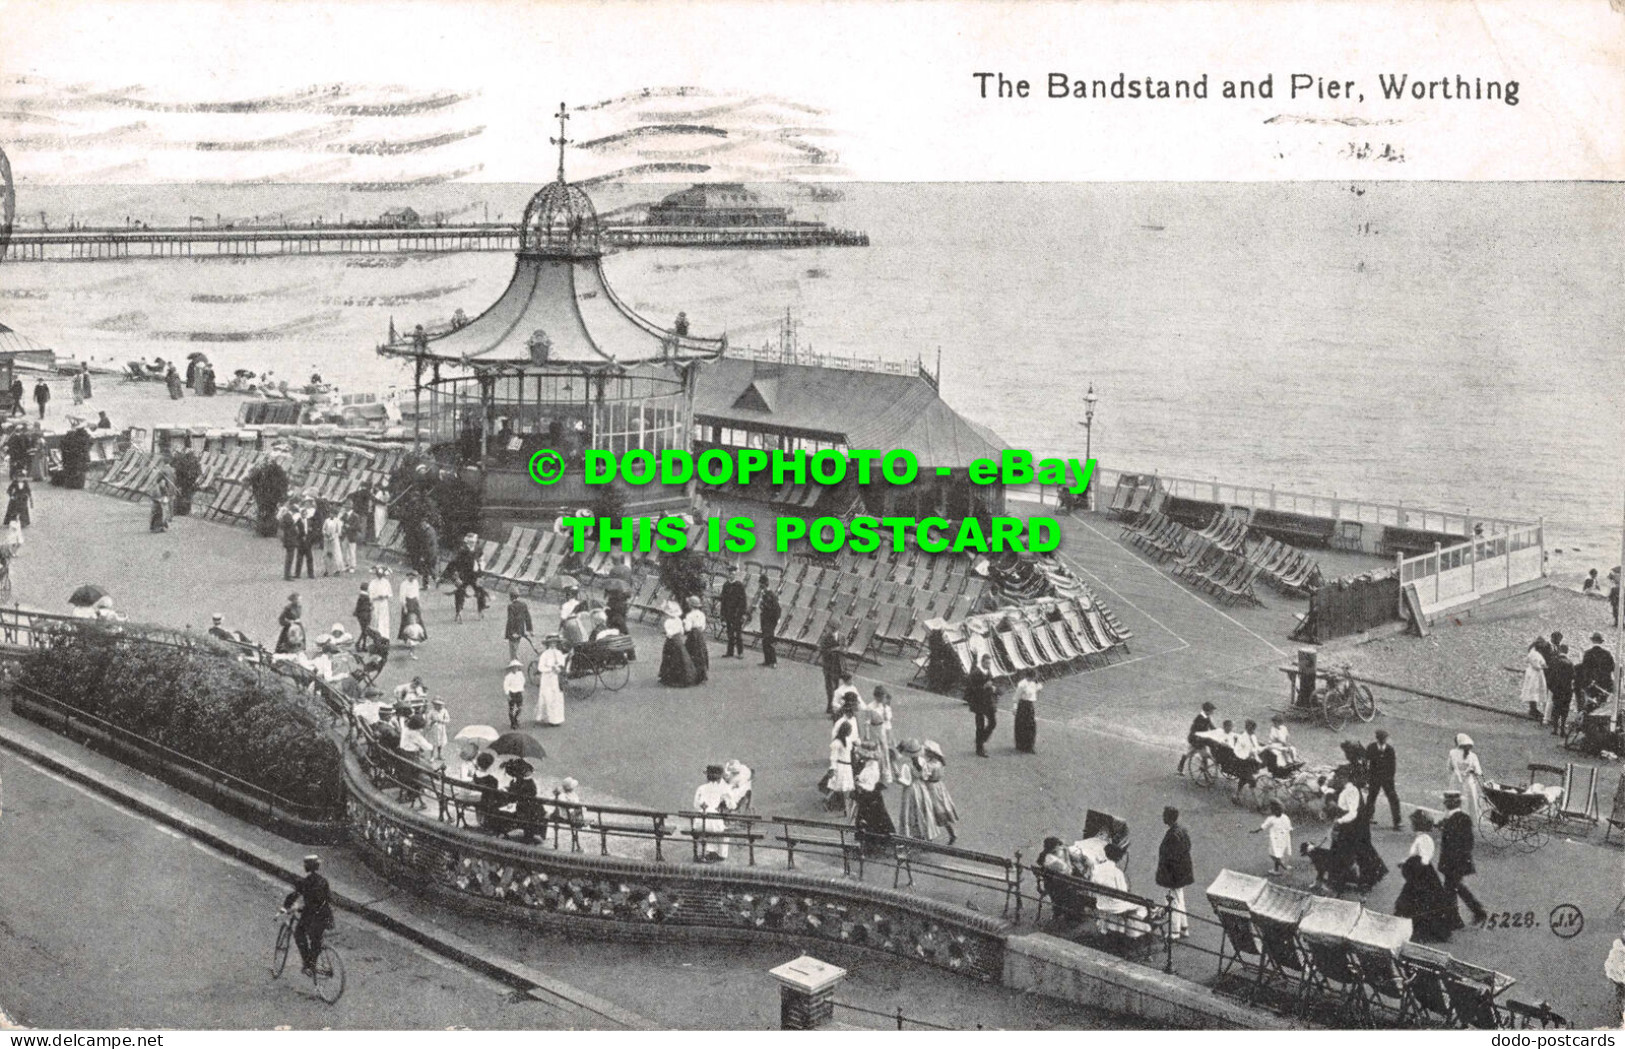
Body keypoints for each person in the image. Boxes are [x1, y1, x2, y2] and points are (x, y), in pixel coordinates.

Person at [1394, 811, 1457, 942]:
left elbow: (1424, 859)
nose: (1411, 825)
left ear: (1418, 824)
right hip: (1422, 874)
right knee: (1417, 902)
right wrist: (1406, 862)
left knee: (1415, 901)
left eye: (1413, 823)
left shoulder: (1424, 839)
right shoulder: (1422, 838)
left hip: (1421, 875)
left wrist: (1411, 866)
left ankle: (1414, 930)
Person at [280, 855, 335, 977]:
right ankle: (312, 964)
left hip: (312, 915)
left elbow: (294, 896)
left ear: (307, 867)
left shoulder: (305, 882)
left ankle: (308, 964)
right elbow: (329, 899)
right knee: (316, 940)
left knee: (299, 933)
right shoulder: (324, 881)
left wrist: (285, 908)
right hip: (325, 916)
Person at [1439, 790, 1488, 927]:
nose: (1444, 803)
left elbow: (1463, 843)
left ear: (1451, 803)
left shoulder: (1455, 820)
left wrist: (1455, 860)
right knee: (1455, 887)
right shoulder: (1461, 818)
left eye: (1446, 801)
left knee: (1451, 888)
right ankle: (1469, 914)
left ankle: (1462, 917)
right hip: (1457, 862)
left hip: (1454, 862)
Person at [1156, 806, 1194, 939]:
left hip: (1174, 875)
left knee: (1173, 901)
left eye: (1164, 815)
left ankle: (1175, 931)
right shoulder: (1181, 830)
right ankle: (1184, 928)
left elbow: (1171, 857)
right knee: (1179, 899)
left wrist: (1167, 875)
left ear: (1168, 817)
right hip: (1182, 873)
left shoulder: (1172, 835)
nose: (1162, 817)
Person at [894, 739, 939, 840]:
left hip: (910, 790)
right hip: (921, 787)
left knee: (910, 811)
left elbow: (906, 781)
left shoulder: (906, 765)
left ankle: (911, 835)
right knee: (924, 809)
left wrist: (897, 777)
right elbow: (926, 776)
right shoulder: (922, 761)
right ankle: (927, 834)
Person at [441, 534, 488, 622]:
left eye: (473, 542)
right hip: (464, 574)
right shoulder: (461, 551)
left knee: (480, 591)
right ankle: (459, 611)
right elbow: (453, 564)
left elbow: (481, 561)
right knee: (460, 592)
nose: (471, 544)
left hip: (475, 574)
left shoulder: (478, 550)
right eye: (469, 542)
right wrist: (456, 577)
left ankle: (480, 610)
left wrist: (481, 574)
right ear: (466, 542)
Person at [919, 740, 957, 845]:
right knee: (942, 810)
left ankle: (929, 837)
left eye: (927, 751)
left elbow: (924, 776)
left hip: (930, 788)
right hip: (939, 786)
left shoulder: (930, 765)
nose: (925, 753)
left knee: (929, 810)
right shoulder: (939, 763)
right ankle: (952, 833)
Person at [1364, 729, 1402, 831]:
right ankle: (1367, 818)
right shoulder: (1371, 748)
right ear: (1379, 739)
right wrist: (1367, 776)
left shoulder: (1390, 749)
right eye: (1383, 738)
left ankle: (1397, 822)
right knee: (1371, 798)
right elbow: (1366, 762)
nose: (1384, 740)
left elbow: (1392, 766)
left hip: (1386, 779)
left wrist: (1390, 778)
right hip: (1374, 778)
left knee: (1393, 799)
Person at [693, 764, 732, 862]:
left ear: (707, 777)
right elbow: (731, 805)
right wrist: (723, 804)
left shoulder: (701, 788)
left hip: (700, 821)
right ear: (720, 777)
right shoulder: (724, 789)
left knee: (708, 825)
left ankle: (708, 852)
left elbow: (696, 805)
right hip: (713, 822)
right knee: (723, 829)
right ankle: (721, 854)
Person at [1447, 733, 1484, 820]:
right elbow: (1479, 772)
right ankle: (1473, 820)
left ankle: (1451, 818)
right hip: (1467, 783)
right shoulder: (1473, 756)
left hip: (1457, 782)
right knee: (1471, 802)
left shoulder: (1452, 753)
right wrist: (1471, 771)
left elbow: (1449, 767)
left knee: (1454, 801)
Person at [658, 601, 696, 687]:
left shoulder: (667, 622)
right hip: (678, 640)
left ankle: (669, 677)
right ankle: (684, 676)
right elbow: (682, 631)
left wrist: (669, 633)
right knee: (681, 657)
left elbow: (669, 633)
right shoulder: (679, 620)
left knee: (670, 657)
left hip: (671, 641)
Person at [967, 654, 998, 757]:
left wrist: (993, 688)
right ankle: (979, 748)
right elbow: (971, 689)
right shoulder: (976, 673)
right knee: (980, 725)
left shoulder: (989, 672)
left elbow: (993, 683)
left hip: (988, 701)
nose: (989, 665)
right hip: (979, 702)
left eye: (989, 663)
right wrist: (983, 687)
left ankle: (980, 740)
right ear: (982, 662)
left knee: (993, 722)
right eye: (987, 663)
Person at [1578, 633, 1617, 711]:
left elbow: (1584, 670)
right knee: (1603, 705)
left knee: (1590, 704)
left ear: (1592, 641)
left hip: (1591, 684)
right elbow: (1613, 668)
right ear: (1601, 642)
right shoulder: (1607, 654)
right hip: (1605, 684)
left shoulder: (1587, 654)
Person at [1176, 702, 1218, 776]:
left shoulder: (1206, 717)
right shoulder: (1200, 718)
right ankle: (1205, 771)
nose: (1213, 711)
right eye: (1212, 710)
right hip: (1196, 739)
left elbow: (1212, 727)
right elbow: (1196, 730)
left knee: (1191, 752)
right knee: (1201, 754)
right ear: (1207, 710)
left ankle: (1181, 765)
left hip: (1201, 738)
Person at [1253, 800, 1293, 875]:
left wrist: (1289, 838)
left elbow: (1290, 828)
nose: (1278, 812)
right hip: (1278, 839)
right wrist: (1256, 831)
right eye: (1276, 811)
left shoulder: (1283, 818)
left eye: (1279, 810)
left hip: (1280, 839)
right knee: (1277, 854)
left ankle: (1281, 868)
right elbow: (1264, 826)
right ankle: (1280, 868)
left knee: (1275, 854)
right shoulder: (1274, 818)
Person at [867, 685, 896, 782]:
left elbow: (887, 719)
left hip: (882, 730)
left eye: (884, 697)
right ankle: (875, 774)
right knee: (876, 751)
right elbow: (867, 722)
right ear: (876, 696)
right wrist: (867, 736)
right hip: (873, 730)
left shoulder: (885, 707)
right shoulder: (870, 707)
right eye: (881, 697)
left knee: (885, 751)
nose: (883, 699)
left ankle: (886, 774)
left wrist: (885, 710)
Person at [719, 565, 749, 658]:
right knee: (730, 633)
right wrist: (722, 614)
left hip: (737, 614)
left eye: (733, 574)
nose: (732, 575)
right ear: (728, 575)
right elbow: (723, 601)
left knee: (738, 633)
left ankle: (740, 652)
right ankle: (730, 652)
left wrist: (743, 613)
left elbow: (743, 600)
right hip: (728, 613)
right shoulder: (726, 585)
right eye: (730, 574)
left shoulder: (739, 585)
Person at [535, 637, 566, 726]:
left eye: (555, 643)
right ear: (548, 644)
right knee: (548, 697)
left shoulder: (559, 653)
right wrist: (550, 668)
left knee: (556, 697)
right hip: (547, 679)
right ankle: (548, 718)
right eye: (551, 643)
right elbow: (540, 667)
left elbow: (562, 664)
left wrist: (558, 669)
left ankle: (556, 719)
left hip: (556, 679)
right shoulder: (545, 654)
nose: (553, 644)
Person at [828, 721, 856, 816]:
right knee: (842, 787)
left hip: (847, 767)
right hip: (841, 767)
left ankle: (844, 807)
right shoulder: (837, 742)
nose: (851, 731)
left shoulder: (848, 740)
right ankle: (845, 808)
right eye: (849, 729)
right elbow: (833, 756)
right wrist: (833, 768)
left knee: (845, 788)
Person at [818, 618, 845, 715]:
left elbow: (844, 649)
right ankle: (830, 705)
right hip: (828, 665)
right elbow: (822, 650)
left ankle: (834, 704)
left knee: (836, 686)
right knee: (829, 686)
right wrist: (833, 650)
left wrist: (840, 650)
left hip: (837, 665)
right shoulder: (825, 637)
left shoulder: (842, 637)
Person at [1547, 643, 1575, 736]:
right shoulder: (1570, 663)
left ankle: (1555, 729)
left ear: (1559, 651)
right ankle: (1562, 729)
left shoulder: (1555, 661)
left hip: (1557, 689)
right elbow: (1573, 676)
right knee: (1565, 709)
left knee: (1556, 708)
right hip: (1567, 689)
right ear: (1567, 651)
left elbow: (1550, 676)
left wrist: (1551, 687)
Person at [683, 596, 710, 685]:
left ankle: (690, 674)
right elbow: (703, 627)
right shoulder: (702, 614)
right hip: (699, 635)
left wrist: (684, 623)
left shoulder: (689, 615)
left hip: (692, 635)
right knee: (700, 653)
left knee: (690, 653)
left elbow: (687, 628)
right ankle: (702, 675)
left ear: (690, 605)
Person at [1012, 671, 1041, 753]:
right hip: (1022, 705)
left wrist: (1038, 689)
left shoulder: (1033, 683)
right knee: (1021, 725)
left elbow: (1034, 694)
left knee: (1031, 725)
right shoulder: (1022, 684)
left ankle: (1030, 746)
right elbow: (1016, 697)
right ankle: (1020, 745)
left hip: (1030, 705)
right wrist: (1015, 708)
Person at [1520, 638, 1549, 722]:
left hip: (1533, 673)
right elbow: (1536, 665)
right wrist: (1544, 667)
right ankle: (1533, 709)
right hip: (1535, 674)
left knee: (1533, 690)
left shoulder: (1533, 652)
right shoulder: (1535, 654)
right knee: (1533, 690)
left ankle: (1533, 708)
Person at [757, 575, 781, 668]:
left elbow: (777, 608)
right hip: (764, 619)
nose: (759, 585)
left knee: (769, 640)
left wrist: (776, 619)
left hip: (770, 621)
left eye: (760, 583)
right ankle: (767, 660)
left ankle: (773, 661)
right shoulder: (763, 593)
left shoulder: (771, 594)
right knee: (765, 640)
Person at [504, 592, 534, 662]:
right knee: (516, 645)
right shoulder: (524, 605)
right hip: (520, 629)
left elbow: (511, 619)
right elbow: (528, 617)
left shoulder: (511, 606)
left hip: (512, 630)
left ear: (511, 598)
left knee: (512, 647)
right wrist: (530, 629)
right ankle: (515, 660)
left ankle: (514, 661)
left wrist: (512, 632)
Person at [368, 565, 393, 639]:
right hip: (376, 603)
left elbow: (389, 593)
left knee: (384, 618)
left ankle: (384, 635)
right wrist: (375, 598)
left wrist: (385, 596)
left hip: (384, 603)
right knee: (376, 618)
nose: (379, 576)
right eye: (378, 575)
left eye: (381, 575)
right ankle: (376, 635)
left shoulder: (386, 582)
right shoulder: (373, 583)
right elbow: (370, 594)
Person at [502, 659, 526, 730]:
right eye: (513, 667)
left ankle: (516, 719)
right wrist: (507, 694)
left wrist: (521, 688)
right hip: (512, 693)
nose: (515, 669)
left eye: (516, 667)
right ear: (511, 668)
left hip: (519, 693)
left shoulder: (520, 674)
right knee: (512, 709)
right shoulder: (508, 676)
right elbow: (506, 685)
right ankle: (513, 723)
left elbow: (523, 681)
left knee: (519, 708)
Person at [425, 697, 450, 763]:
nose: (438, 706)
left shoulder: (444, 711)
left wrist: (442, 720)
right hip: (434, 728)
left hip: (441, 728)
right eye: (436, 705)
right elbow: (428, 719)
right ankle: (432, 756)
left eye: (440, 705)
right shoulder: (432, 711)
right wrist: (432, 721)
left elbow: (448, 720)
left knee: (440, 742)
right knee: (433, 742)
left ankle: (439, 755)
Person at [340, 506, 363, 574]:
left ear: (350, 508)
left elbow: (358, 526)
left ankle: (352, 566)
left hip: (352, 536)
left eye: (347, 506)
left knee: (352, 551)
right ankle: (346, 565)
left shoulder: (355, 516)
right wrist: (343, 528)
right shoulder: (344, 515)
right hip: (345, 535)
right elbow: (340, 523)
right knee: (344, 551)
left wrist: (349, 527)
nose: (345, 508)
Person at [321, 510, 344, 576]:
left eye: (333, 513)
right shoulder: (326, 520)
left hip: (334, 540)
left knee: (335, 554)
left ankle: (337, 570)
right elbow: (323, 529)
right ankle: (326, 570)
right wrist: (325, 534)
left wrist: (332, 537)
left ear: (335, 514)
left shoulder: (337, 521)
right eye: (330, 513)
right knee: (326, 554)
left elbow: (339, 532)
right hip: (326, 540)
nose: (331, 515)